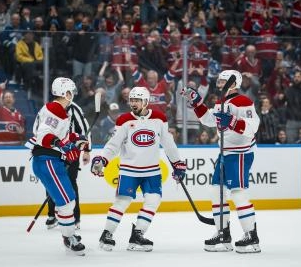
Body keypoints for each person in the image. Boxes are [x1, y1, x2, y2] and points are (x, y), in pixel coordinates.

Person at [90, 86, 186, 252]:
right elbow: (113, 145)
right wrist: (102, 159)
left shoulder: (159, 118)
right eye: (132, 100)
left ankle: (137, 235)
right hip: (129, 170)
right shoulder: (124, 120)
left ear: (146, 101)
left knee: (153, 201)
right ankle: (106, 234)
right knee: (122, 202)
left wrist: (177, 163)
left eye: (137, 100)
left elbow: (168, 143)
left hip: (152, 171)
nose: (133, 103)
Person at [182, 70, 261, 253]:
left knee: (238, 193)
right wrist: (197, 103)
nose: (219, 83)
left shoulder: (243, 102)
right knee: (216, 191)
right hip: (225, 153)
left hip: (240, 153)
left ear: (234, 83)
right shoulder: (221, 102)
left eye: (223, 80)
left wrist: (232, 122)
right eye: (219, 80)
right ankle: (223, 234)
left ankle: (252, 237)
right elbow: (210, 120)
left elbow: (253, 127)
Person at [27, 77, 87, 256]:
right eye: (71, 92)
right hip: (47, 160)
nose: (72, 95)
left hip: (52, 160)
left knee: (68, 200)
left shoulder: (61, 111)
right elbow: (44, 136)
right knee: (67, 202)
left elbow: (59, 136)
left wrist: (75, 139)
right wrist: (65, 146)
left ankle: (68, 235)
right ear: (64, 92)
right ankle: (69, 238)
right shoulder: (55, 109)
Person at [45, 100, 92, 230]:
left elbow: (84, 129)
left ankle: (75, 217)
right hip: (53, 149)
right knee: (51, 180)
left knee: (70, 182)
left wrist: (87, 150)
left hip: (71, 149)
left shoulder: (74, 108)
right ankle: (52, 215)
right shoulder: (49, 108)